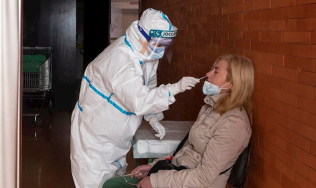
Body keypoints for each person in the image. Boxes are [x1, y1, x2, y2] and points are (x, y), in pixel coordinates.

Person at [70, 8, 200, 188]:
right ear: (142, 35)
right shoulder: (120, 59)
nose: (161, 49)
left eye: (165, 44)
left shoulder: (147, 51)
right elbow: (139, 100)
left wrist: (153, 116)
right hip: (95, 138)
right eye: (158, 43)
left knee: (113, 181)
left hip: (117, 136)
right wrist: (174, 89)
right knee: (94, 183)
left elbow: (149, 85)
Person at [102, 54, 254, 188]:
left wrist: (155, 181)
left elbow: (204, 178)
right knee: (111, 184)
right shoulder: (209, 109)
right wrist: (153, 166)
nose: (208, 74)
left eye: (216, 71)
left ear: (232, 84)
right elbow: (184, 150)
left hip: (194, 183)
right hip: (178, 173)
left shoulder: (234, 123)